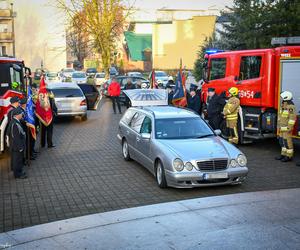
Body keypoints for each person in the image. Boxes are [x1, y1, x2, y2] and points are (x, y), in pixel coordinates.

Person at [275, 91, 296, 162]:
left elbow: (292, 119)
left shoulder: (291, 107)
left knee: (287, 142)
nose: (281, 99)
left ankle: (289, 156)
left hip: (286, 129)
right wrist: (278, 126)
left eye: (282, 97)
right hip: (281, 128)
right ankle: (283, 155)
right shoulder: (283, 106)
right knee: (282, 142)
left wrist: (289, 128)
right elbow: (280, 117)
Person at [9, 107, 27, 179]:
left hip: (17, 146)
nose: (21, 115)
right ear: (16, 115)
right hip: (17, 147)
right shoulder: (15, 124)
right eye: (20, 113)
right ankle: (17, 175)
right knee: (17, 161)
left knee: (18, 160)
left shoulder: (15, 121)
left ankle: (19, 171)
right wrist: (20, 147)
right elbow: (15, 137)